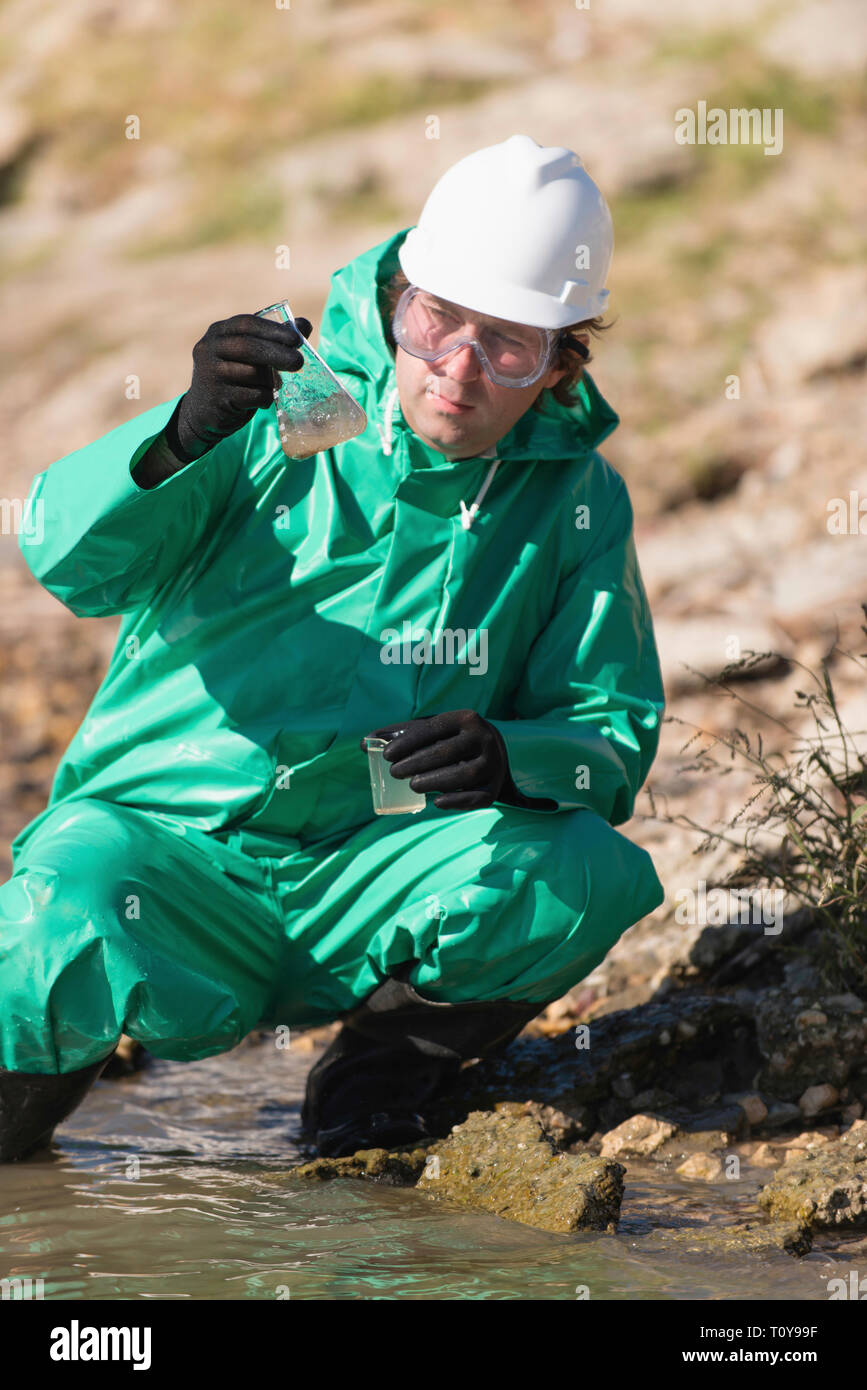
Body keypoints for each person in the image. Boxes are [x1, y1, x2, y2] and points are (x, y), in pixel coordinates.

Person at [0, 134, 665, 1162]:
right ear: (400, 296)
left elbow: (607, 735)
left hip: (377, 872)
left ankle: (370, 1094)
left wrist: (514, 760)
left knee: (575, 868)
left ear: (562, 359)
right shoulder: (262, 412)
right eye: (438, 319)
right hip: (170, 859)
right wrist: (181, 434)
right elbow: (66, 560)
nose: (458, 368)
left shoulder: (582, 502)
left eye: (510, 344)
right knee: (65, 900)